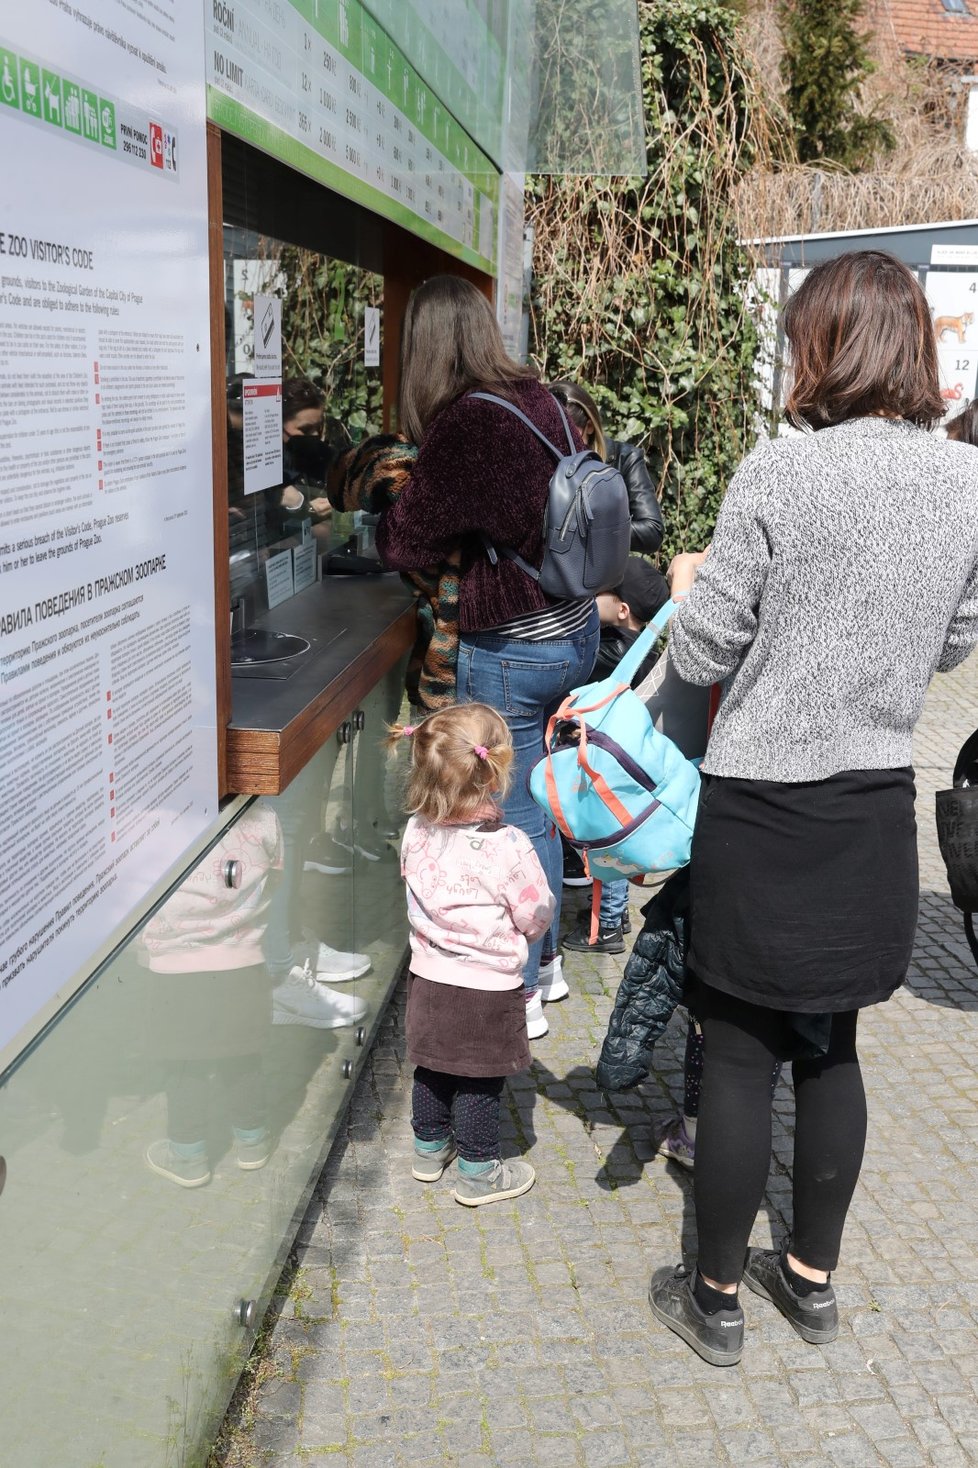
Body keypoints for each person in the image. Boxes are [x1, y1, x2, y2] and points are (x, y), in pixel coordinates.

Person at [647, 249, 978, 1368]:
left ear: (826, 346)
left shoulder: (778, 476)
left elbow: (703, 648)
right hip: (874, 800)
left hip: (762, 806)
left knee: (737, 1055)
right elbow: (954, 643)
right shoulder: (967, 486)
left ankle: (716, 1296)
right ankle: (813, 1282)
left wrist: (689, 583)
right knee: (833, 1045)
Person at [375, 276, 600, 1041]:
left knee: (515, 810)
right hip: (574, 628)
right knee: (543, 796)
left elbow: (405, 540)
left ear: (425, 349)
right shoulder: (533, 395)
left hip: (514, 647)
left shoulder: (464, 425)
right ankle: (550, 962)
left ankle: (524, 980)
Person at [390, 702, 554, 1206]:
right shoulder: (509, 845)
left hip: (429, 976)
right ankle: (479, 1172)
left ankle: (428, 1148)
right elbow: (536, 913)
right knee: (480, 1079)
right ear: (496, 769)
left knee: (433, 1065)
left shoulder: (416, 830)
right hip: (488, 985)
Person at [563, 556, 669, 954]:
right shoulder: (645, 651)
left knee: (603, 841)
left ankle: (605, 926)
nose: (591, 597)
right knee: (614, 841)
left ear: (622, 610)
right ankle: (617, 914)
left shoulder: (612, 653)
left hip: (606, 763)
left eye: (599, 593)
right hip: (627, 762)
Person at [548, 381, 666, 557]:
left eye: (570, 437)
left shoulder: (625, 458)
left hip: (602, 567)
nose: (561, 446)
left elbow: (652, 530)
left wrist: (589, 529)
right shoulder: (544, 455)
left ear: (589, 427)